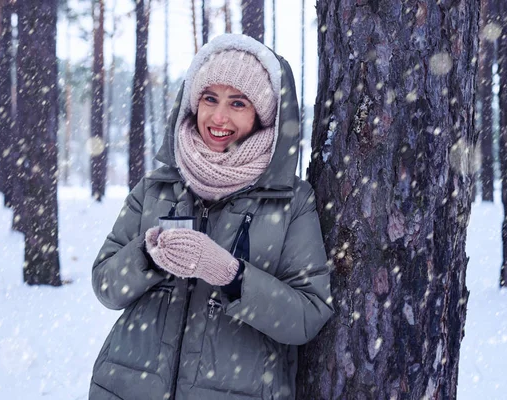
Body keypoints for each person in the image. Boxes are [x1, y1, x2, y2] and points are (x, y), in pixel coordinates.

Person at [89, 33, 332, 400]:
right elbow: (106, 286)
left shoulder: (291, 200)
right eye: (209, 98)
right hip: (128, 387)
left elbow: (306, 317)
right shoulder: (157, 187)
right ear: (193, 103)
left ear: (262, 114)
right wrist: (147, 257)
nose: (219, 117)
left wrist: (230, 275)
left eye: (238, 103)